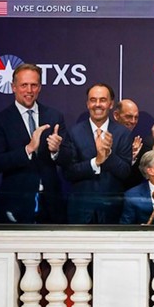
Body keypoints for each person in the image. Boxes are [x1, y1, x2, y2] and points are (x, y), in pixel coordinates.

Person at [0, 63, 68, 223]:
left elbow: (67, 158)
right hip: (16, 204)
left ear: (40, 87)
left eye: (34, 85)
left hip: (52, 204)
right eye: (24, 85)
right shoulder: (0, 121)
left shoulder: (54, 116)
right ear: (13, 87)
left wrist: (56, 151)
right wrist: (28, 149)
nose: (29, 90)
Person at [62, 82, 132, 224]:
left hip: (112, 210)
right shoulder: (74, 132)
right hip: (80, 211)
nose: (97, 104)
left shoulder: (122, 133)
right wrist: (96, 162)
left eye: (103, 100)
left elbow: (125, 172)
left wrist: (108, 155)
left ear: (111, 104)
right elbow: (69, 172)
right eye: (93, 100)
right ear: (87, 104)